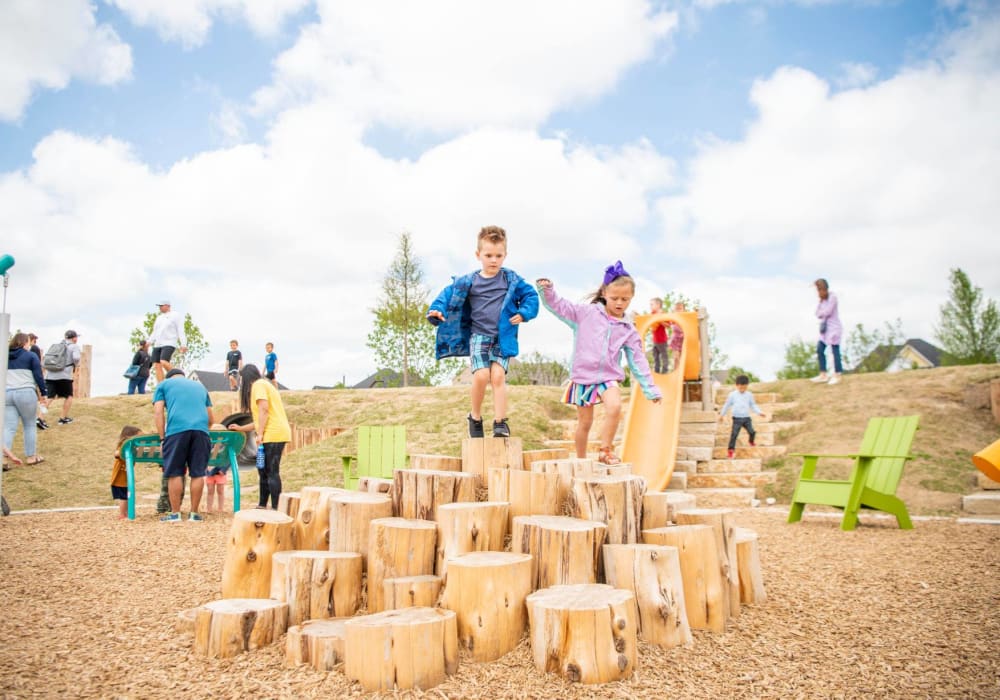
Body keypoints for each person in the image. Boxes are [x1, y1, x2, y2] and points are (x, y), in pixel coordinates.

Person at [537, 261, 661, 465]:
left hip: (608, 377)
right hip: (583, 377)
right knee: (585, 423)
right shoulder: (586, 314)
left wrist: (650, 388)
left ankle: (605, 451)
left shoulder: (627, 329)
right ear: (604, 293)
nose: (619, 303)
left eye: (625, 299)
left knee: (615, 406)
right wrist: (548, 291)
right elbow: (561, 307)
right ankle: (581, 460)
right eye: (615, 298)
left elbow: (638, 360)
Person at [427, 225, 539, 438]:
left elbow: (531, 296)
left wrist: (524, 313)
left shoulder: (510, 279)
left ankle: (500, 423)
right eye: (488, 255)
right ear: (478, 255)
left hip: (502, 336)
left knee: (497, 376)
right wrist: (436, 309)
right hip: (478, 336)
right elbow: (447, 294)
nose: (494, 260)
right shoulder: (469, 281)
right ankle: (475, 416)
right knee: (481, 375)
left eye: (499, 255)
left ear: (505, 256)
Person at [153, 368, 213, 522]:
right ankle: (194, 514)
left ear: (169, 377)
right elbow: (211, 418)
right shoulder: (201, 386)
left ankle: (175, 514)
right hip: (201, 431)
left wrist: (162, 438)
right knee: (198, 473)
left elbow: (158, 412)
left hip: (176, 431)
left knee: (175, 473)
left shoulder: (163, 384)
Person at [227, 364, 291, 509]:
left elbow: (264, 410)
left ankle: (276, 507)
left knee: (271, 470)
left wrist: (260, 434)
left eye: (241, 378)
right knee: (262, 470)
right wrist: (241, 428)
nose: (241, 382)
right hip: (270, 433)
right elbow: (258, 419)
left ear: (247, 377)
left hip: (274, 434)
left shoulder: (259, 385)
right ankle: (262, 504)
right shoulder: (261, 385)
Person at [5, 333, 47, 466]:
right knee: (29, 425)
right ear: (24, 343)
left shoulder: (4, 355)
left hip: (8, 393)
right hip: (26, 393)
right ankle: (31, 457)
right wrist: (44, 393)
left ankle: (3, 458)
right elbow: (38, 376)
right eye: (28, 342)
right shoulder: (31, 356)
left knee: (8, 427)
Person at [719, 375, 767, 459]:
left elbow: (753, 405)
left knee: (752, 432)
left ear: (747, 386)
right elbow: (727, 405)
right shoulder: (732, 395)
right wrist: (722, 415)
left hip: (746, 418)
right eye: (741, 387)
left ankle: (751, 441)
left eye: (744, 388)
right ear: (737, 385)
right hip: (737, 418)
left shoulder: (749, 395)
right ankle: (731, 451)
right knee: (734, 435)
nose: (742, 389)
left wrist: (759, 412)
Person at [43, 329, 82, 425]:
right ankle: (62, 418)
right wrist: (75, 364)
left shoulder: (56, 345)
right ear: (74, 338)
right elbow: (76, 358)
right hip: (64, 376)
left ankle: (40, 417)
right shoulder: (74, 346)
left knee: (49, 397)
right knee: (68, 396)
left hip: (50, 375)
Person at [811, 278, 844, 385]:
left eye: (820, 290)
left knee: (835, 351)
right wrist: (822, 312)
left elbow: (827, 312)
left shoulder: (832, 297)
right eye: (818, 290)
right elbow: (817, 313)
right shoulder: (822, 301)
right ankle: (823, 374)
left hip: (834, 328)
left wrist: (822, 312)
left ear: (825, 289)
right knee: (820, 349)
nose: (819, 293)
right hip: (825, 330)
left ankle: (837, 374)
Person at [150, 301, 187, 384]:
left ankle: (180, 378)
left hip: (169, 342)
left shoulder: (175, 315)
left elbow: (180, 330)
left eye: (161, 306)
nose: (160, 307)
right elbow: (155, 331)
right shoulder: (159, 318)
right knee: (157, 365)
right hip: (158, 344)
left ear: (168, 306)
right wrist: (149, 341)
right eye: (159, 306)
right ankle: (161, 386)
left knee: (163, 361)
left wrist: (183, 344)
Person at [111, 425, 143, 519]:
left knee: (126, 496)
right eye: (138, 437)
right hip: (120, 479)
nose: (139, 439)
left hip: (124, 478)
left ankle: (126, 512)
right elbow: (116, 453)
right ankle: (122, 514)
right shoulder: (124, 446)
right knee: (124, 497)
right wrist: (120, 453)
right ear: (129, 437)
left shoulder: (131, 447)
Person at [28, 333, 48, 430]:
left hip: (28, 377)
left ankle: (39, 418)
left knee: (36, 399)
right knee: (42, 399)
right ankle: (40, 419)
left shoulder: (25, 350)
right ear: (33, 340)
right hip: (35, 376)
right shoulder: (35, 348)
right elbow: (37, 363)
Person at [649, 298, 668, 373]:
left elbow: (668, 325)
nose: (650, 306)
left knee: (664, 356)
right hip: (655, 340)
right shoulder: (652, 314)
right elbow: (651, 326)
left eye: (652, 304)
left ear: (658, 305)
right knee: (655, 357)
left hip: (662, 340)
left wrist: (660, 320)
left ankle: (664, 371)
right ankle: (656, 371)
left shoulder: (663, 314)